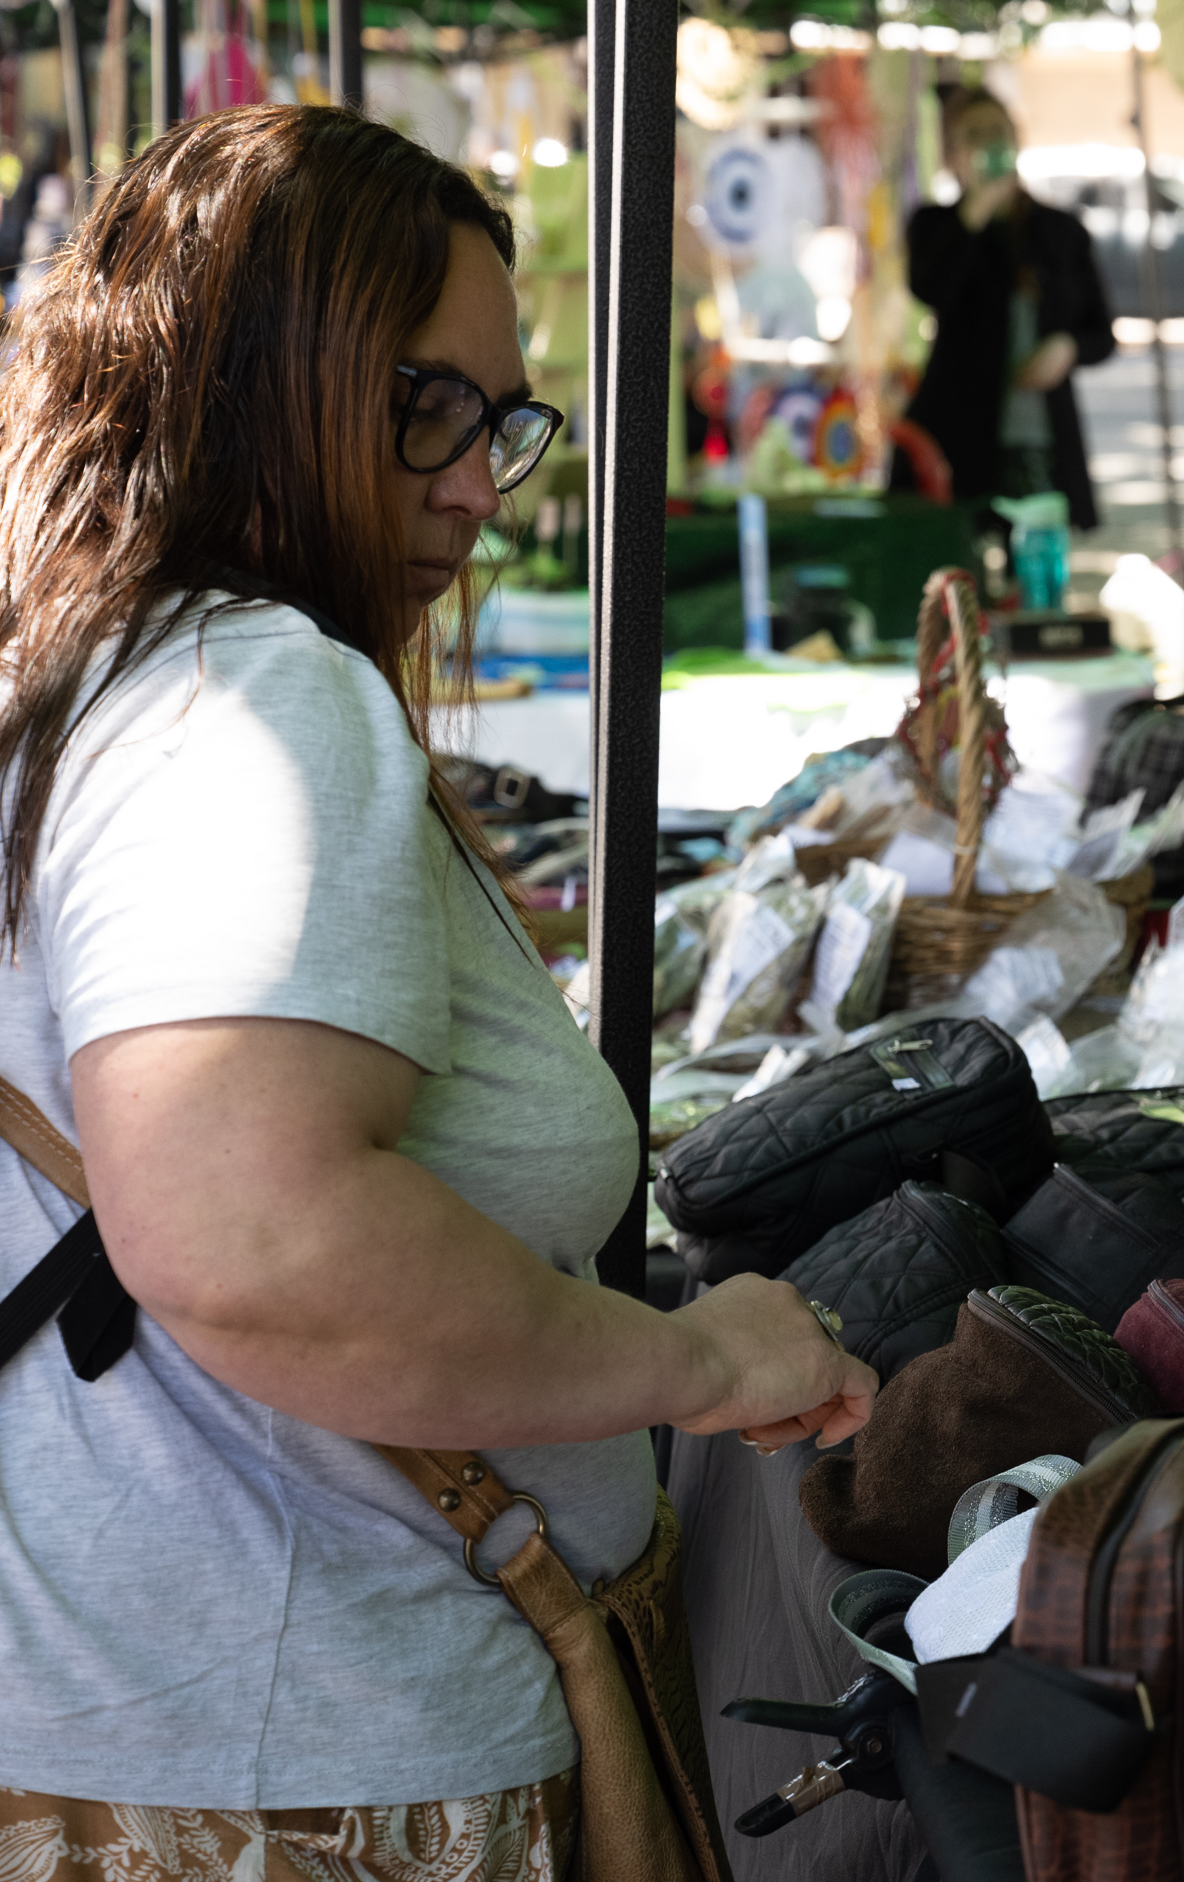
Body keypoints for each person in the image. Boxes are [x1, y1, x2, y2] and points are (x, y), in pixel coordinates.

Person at [0, 106, 875, 1875]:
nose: (480, 484)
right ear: (259, 381)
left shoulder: (91, 677)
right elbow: (251, 1232)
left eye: (502, 424)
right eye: (430, 408)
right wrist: (695, 1363)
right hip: (285, 1774)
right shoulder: (251, 697)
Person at [897, 88, 1118, 526]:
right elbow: (930, 290)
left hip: (1039, 438)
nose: (987, 144)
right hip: (960, 436)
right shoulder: (935, 225)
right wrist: (976, 210)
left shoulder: (1060, 231)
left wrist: (1067, 348)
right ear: (953, 153)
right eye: (972, 136)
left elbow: (1102, 333)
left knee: (1033, 569)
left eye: (996, 132)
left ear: (1016, 139)